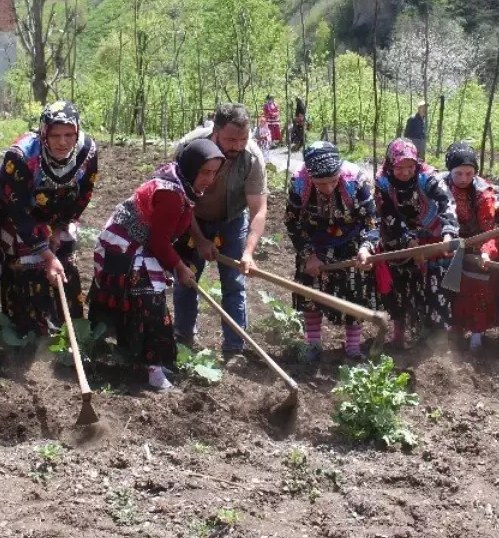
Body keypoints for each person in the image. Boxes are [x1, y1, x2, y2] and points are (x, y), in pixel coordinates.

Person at [89, 139, 225, 391]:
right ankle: (151, 368)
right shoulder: (171, 193)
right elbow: (159, 241)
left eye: (214, 173)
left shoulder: (181, 183)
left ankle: (144, 356)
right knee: (151, 297)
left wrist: (195, 248)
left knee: (150, 288)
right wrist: (180, 268)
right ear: (192, 167)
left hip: (140, 242)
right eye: (205, 172)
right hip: (122, 246)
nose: (210, 179)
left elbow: (168, 232)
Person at [0, 101, 99, 336]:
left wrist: (59, 229)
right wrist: (45, 253)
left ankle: (69, 331)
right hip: (16, 217)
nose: (63, 142)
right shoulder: (20, 156)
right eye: (55, 135)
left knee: (66, 264)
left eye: (69, 134)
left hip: (58, 214)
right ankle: (29, 335)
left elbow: (84, 193)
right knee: (27, 268)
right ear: (44, 132)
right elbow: (16, 209)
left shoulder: (86, 151)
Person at [173, 103, 269, 358]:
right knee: (187, 278)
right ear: (214, 132)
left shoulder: (251, 157)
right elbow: (181, 200)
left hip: (233, 219)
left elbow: (259, 209)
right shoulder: (190, 148)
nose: (237, 146)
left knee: (235, 281)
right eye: (230, 140)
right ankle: (183, 337)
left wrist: (248, 253)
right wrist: (200, 240)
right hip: (193, 217)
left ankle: (234, 347)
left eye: (243, 139)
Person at [285, 142, 378, 361]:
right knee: (311, 292)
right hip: (314, 242)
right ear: (310, 177)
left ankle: (353, 346)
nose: (328, 188)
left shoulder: (356, 180)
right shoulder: (299, 183)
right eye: (321, 183)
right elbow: (292, 223)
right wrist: (309, 255)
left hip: (351, 241)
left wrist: (366, 248)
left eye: (333, 182)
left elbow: (372, 220)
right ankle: (313, 343)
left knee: (354, 291)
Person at [375, 138, 459, 346]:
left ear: (417, 165)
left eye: (410, 167)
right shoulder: (383, 182)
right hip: (398, 237)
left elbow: (446, 203)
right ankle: (399, 332)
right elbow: (389, 216)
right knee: (401, 284)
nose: (405, 172)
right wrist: (410, 243)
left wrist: (448, 234)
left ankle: (435, 337)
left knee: (435, 285)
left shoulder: (428, 177)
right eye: (399, 167)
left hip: (433, 236)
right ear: (390, 164)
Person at [442, 142, 499, 351]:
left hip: (478, 245)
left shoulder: (483, 193)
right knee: (450, 289)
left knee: (478, 290)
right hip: (449, 243)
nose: (464, 179)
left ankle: (477, 338)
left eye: (469, 173)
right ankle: (452, 331)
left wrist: (487, 253)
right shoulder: (441, 185)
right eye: (458, 173)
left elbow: (490, 231)